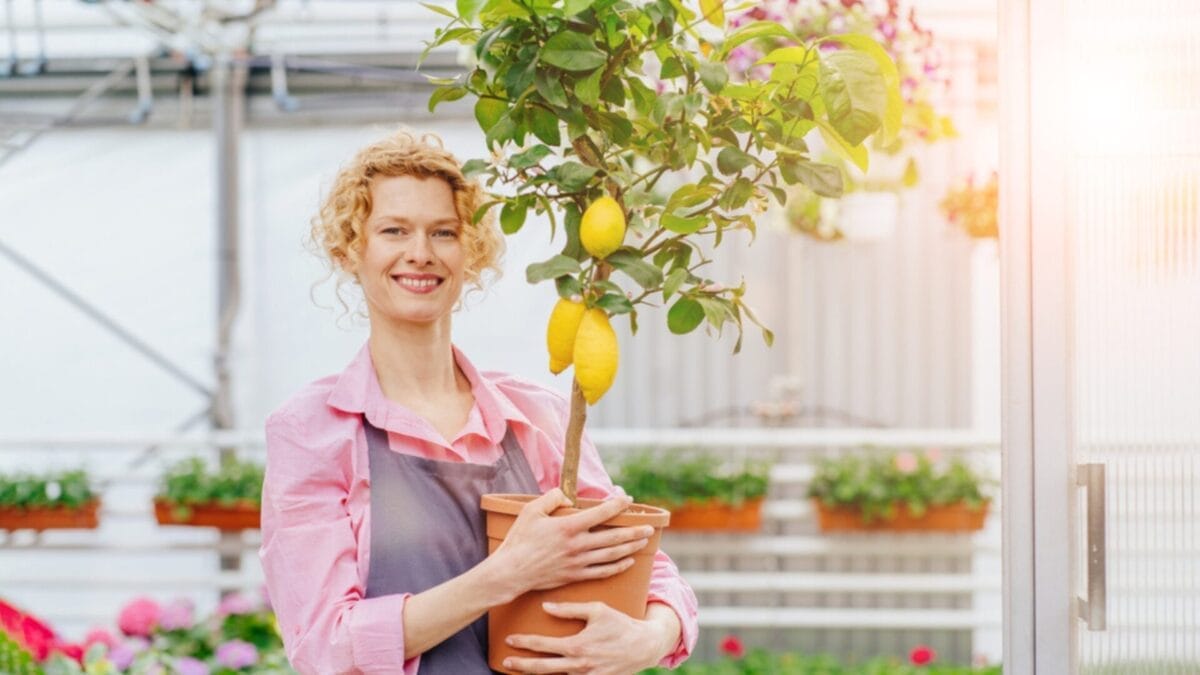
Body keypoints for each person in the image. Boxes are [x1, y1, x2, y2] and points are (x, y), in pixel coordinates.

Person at [258, 130, 698, 675]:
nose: (419, 253)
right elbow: (325, 647)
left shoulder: (535, 417)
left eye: (443, 232)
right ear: (351, 250)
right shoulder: (313, 431)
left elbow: (643, 564)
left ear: (471, 253)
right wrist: (509, 572)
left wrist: (653, 636)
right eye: (394, 230)